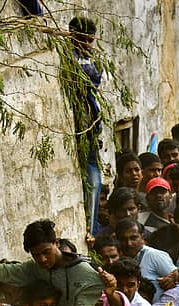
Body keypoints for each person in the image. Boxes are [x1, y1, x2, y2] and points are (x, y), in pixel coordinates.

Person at [68, 16, 103, 233]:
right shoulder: (67, 57)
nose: (87, 45)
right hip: (79, 127)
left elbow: (94, 83)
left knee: (94, 182)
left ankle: (90, 228)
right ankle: (89, 230)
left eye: (90, 40)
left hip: (91, 128)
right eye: (82, 39)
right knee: (90, 180)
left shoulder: (92, 59)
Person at [114, 218, 178, 306]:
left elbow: (178, 282)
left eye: (133, 238)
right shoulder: (116, 259)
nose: (129, 243)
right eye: (123, 239)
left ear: (142, 236)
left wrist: (173, 279)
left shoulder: (155, 256)